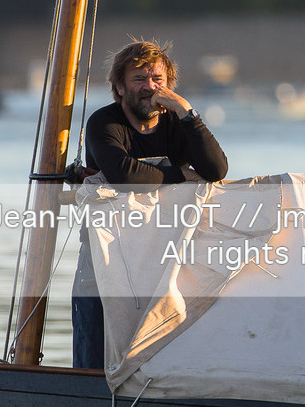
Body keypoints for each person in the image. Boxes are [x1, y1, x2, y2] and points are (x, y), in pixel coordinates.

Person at [72, 39, 229, 369]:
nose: (150, 88)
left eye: (157, 79)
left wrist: (186, 110)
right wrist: (181, 175)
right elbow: (124, 175)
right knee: (94, 359)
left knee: (163, 357)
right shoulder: (105, 123)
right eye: (139, 80)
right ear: (119, 86)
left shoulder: (176, 123)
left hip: (163, 259)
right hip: (104, 259)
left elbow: (215, 170)